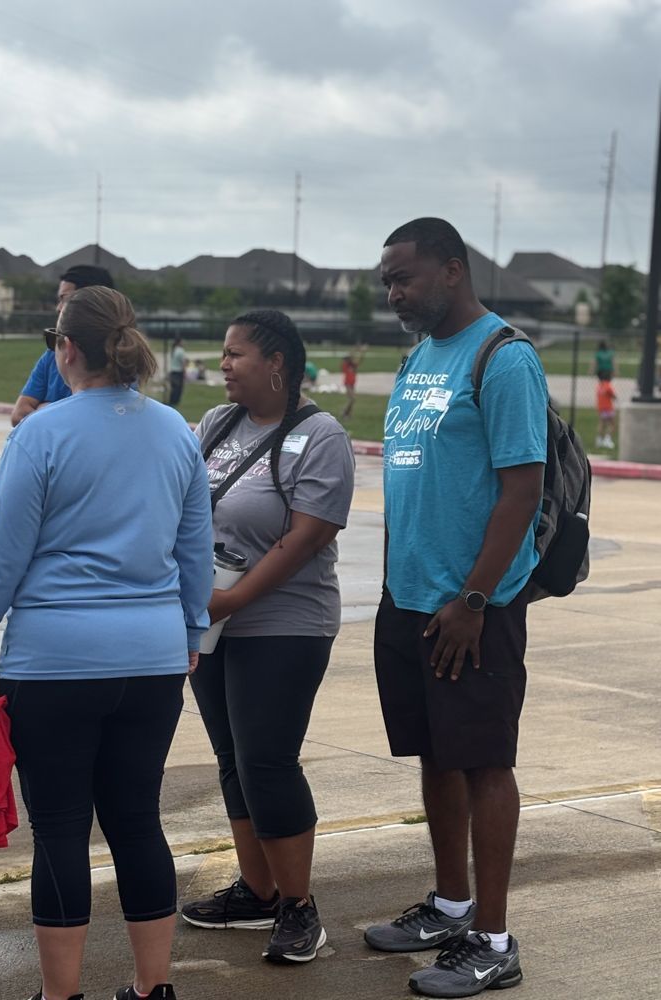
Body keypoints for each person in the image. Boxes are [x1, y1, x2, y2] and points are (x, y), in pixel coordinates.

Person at [0, 286, 213, 1000]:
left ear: (66, 349)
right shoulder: (175, 432)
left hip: (57, 659)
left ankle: (61, 995)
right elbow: (196, 551)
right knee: (136, 820)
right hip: (154, 656)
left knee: (62, 827)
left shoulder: (42, 432)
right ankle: (153, 987)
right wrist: (190, 630)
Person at [364, 219, 547, 998]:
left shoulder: (502, 359)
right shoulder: (418, 357)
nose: (394, 294)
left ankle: (494, 940)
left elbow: (522, 486)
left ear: (451, 268)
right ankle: (449, 904)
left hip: (474, 605)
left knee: (483, 761)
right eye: (387, 283)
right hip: (408, 599)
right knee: (436, 754)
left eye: (403, 278)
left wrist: (474, 597)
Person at [180, 309, 355, 964]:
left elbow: (306, 537)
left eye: (235, 354)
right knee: (232, 758)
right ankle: (257, 893)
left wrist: (231, 601)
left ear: (276, 363)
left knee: (267, 759)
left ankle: (299, 906)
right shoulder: (214, 424)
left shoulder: (319, 436)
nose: (222, 364)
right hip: (214, 617)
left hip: (282, 622)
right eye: (222, 354)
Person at [10, 264, 114, 426]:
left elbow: (105, 419)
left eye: (65, 299)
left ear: (91, 302)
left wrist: (44, 408)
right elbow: (19, 414)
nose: (58, 308)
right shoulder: (52, 354)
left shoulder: (120, 358)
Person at [340, 346, 364, 418]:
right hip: (347, 384)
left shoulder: (353, 366)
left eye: (346, 359)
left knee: (352, 400)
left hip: (352, 384)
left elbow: (360, 360)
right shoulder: (345, 365)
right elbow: (351, 355)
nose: (345, 360)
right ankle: (344, 412)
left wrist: (362, 352)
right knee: (352, 399)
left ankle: (348, 414)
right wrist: (356, 349)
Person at [595, 373, 617, 448]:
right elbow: (614, 396)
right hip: (608, 408)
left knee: (602, 424)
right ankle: (607, 439)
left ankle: (599, 439)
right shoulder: (608, 385)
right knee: (612, 424)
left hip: (601, 408)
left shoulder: (599, 386)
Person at [168, 337, 186, 406]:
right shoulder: (181, 350)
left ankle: (171, 401)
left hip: (173, 371)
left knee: (173, 388)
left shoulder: (174, 350)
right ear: (179, 342)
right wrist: (185, 372)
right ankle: (175, 402)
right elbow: (183, 362)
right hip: (179, 371)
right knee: (178, 388)